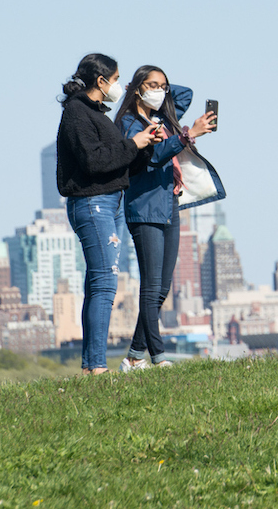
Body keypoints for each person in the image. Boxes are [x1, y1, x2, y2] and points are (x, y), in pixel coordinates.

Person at [57, 53, 163, 374]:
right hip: (93, 203)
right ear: (101, 82)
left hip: (108, 201)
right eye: (116, 80)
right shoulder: (78, 113)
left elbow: (119, 161)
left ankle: (92, 365)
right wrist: (133, 143)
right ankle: (97, 366)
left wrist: (144, 145)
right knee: (104, 284)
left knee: (98, 283)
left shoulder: (97, 113)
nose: (119, 86)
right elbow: (95, 161)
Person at [113, 65, 215, 372]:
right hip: (144, 208)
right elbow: (152, 157)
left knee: (162, 287)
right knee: (151, 285)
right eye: (152, 85)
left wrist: (161, 92)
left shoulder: (162, 119)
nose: (159, 90)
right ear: (136, 88)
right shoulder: (129, 123)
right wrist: (187, 135)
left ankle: (133, 356)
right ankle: (157, 357)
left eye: (163, 86)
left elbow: (185, 95)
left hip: (168, 203)